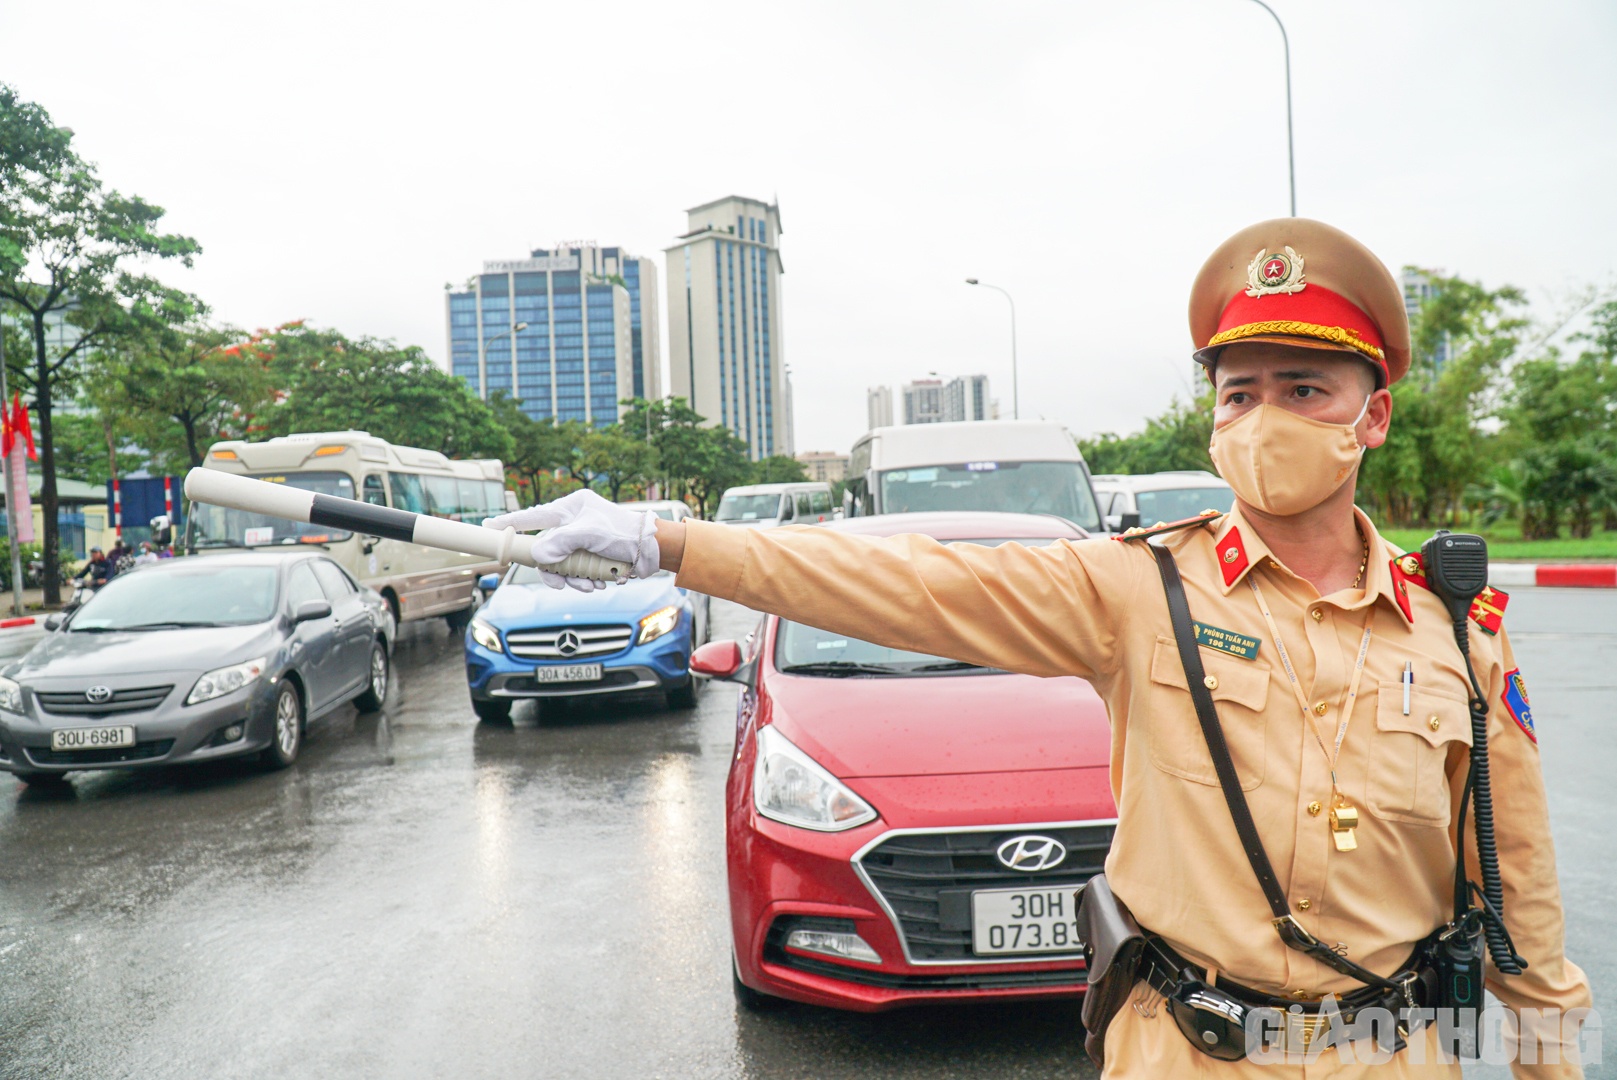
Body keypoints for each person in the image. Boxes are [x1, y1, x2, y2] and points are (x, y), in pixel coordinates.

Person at [486, 219, 1590, 1077]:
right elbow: (908, 579)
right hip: (1181, 1056)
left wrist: (1548, 1065)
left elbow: (1521, 893)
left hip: (1392, 1057)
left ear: (1373, 415)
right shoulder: (1137, 587)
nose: (1266, 419)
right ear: (1212, 419)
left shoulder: (1456, 629)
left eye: (1306, 390)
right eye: (1239, 392)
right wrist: (670, 540)